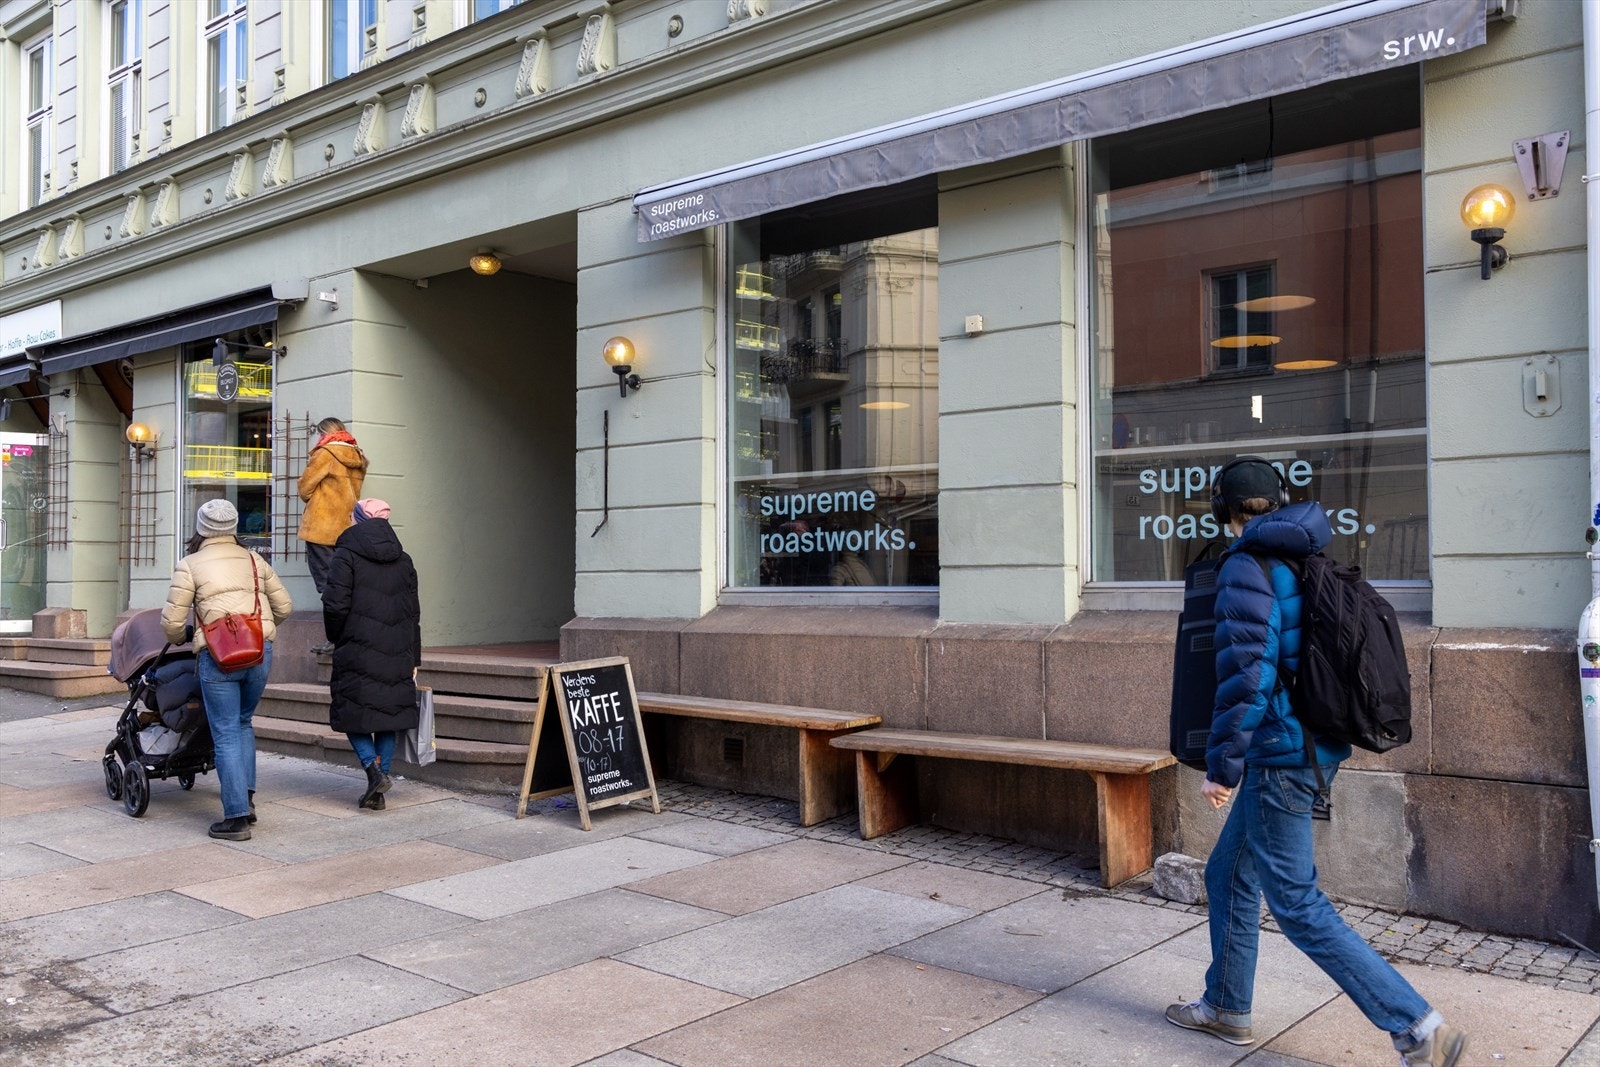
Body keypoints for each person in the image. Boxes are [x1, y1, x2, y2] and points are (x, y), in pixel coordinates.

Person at [1164, 457, 1466, 1067]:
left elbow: (1247, 675)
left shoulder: (1247, 564)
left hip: (1281, 755)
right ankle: (1226, 1006)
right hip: (1313, 743)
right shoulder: (1303, 553)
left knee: (1298, 903)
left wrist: (1224, 766)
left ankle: (1417, 1027)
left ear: (1224, 511)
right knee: (1227, 874)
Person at [161, 499, 292, 841]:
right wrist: (259, 627)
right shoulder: (254, 560)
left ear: (202, 528)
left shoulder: (190, 564)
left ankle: (235, 818)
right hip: (260, 652)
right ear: (233, 528)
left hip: (217, 657)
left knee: (225, 732)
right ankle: (246, 799)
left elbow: (173, 623)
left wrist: (184, 636)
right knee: (244, 722)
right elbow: (285, 606)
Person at [323, 498, 420, 810]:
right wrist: (414, 657)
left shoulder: (346, 555)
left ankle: (373, 770)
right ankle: (379, 785)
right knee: (388, 716)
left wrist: (337, 637)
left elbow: (334, 604)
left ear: (360, 519)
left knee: (352, 711)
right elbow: (413, 613)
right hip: (397, 649)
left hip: (358, 646)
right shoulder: (404, 559)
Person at [298, 416, 367, 653]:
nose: (318, 439)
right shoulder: (357, 455)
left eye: (319, 434)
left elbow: (305, 489)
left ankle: (335, 638)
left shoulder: (325, 452)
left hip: (321, 528)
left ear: (325, 433)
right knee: (346, 583)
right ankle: (351, 635)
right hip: (347, 528)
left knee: (327, 586)